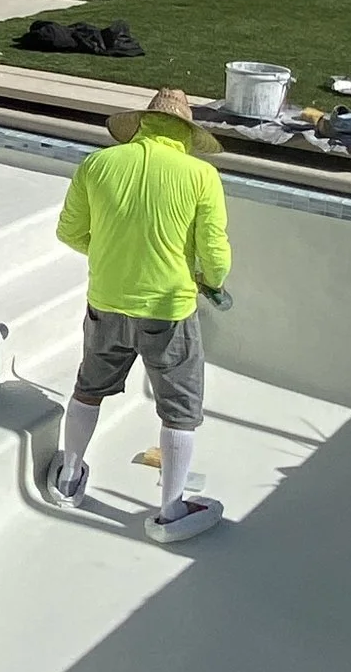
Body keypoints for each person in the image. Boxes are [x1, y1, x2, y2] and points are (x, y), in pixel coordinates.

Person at [44, 86, 231, 543]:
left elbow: (69, 231)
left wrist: (111, 256)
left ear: (142, 124)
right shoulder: (200, 175)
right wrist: (211, 281)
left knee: (89, 389)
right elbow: (215, 252)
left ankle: (68, 476)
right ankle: (170, 510)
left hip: (106, 303)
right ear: (186, 133)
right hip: (169, 310)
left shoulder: (98, 164)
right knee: (179, 412)